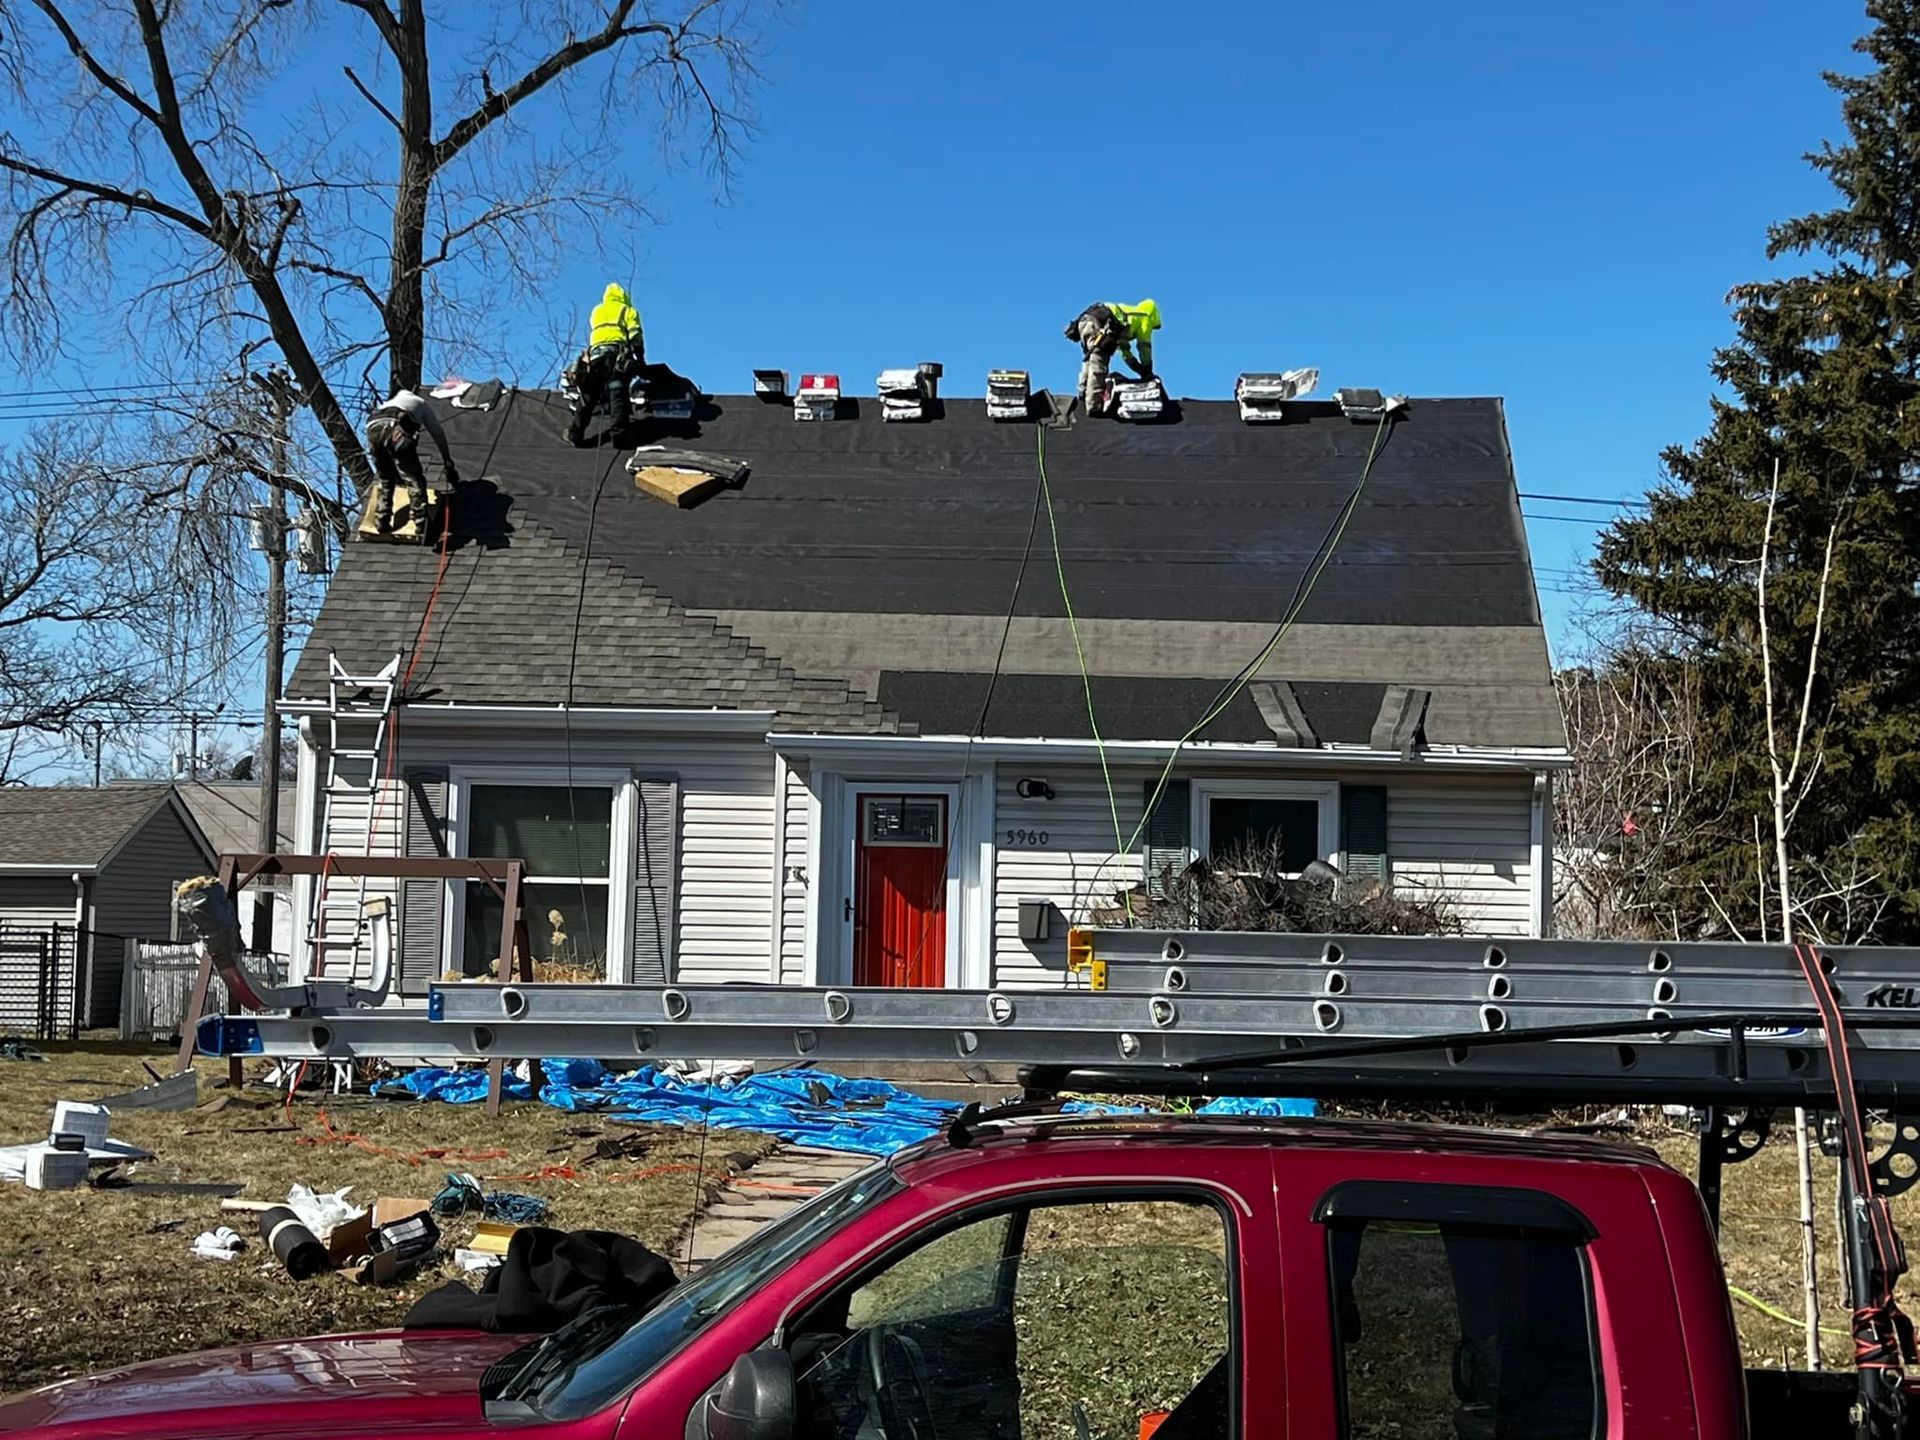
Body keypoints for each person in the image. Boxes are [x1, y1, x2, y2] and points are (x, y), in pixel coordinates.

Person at [364, 389, 458, 535]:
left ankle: (381, 520)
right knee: (413, 478)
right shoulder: (420, 403)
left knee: (385, 478)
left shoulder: (388, 404)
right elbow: (437, 433)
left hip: (373, 431)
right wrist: (447, 460)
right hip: (396, 430)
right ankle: (421, 523)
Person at [566, 282, 645, 444]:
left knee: (588, 396)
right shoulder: (627, 311)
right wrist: (640, 359)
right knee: (617, 394)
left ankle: (575, 433)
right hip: (617, 358)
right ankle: (620, 435)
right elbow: (636, 336)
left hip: (595, 359)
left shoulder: (597, 311)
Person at [1063, 298, 1161, 414]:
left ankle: (1083, 391)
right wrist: (1147, 370)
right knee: (1099, 361)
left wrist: (1138, 369)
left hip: (1086, 320)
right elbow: (1145, 348)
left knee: (1090, 359)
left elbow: (1125, 352)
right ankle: (1093, 405)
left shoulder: (1128, 319)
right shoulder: (1145, 318)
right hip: (1099, 324)